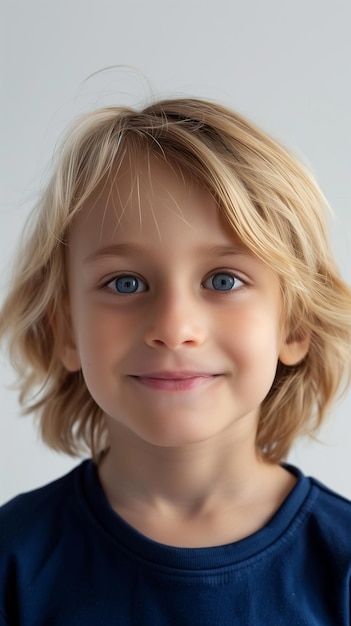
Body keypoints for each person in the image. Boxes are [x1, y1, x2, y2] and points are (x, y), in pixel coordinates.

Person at [0, 97, 350, 625]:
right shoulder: (12, 561)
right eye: (125, 283)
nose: (173, 328)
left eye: (223, 280)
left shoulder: (341, 566)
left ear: (294, 325)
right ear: (65, 329)